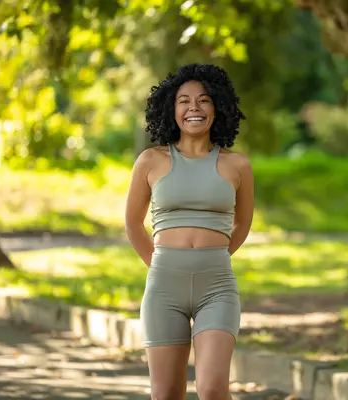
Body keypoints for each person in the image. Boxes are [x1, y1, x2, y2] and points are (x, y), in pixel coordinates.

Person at [124, 63, 254, 400]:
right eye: (184, 101)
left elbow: (242, 223)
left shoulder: (236, 165)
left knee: (212, 389)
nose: (194, 108)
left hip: (217, 286)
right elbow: (133, 222)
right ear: (171, 109)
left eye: (204, 100)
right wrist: (159, 263)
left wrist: (215, 256)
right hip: (165, 286)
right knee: (166, 394)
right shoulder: (151, 160)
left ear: (218, 108)